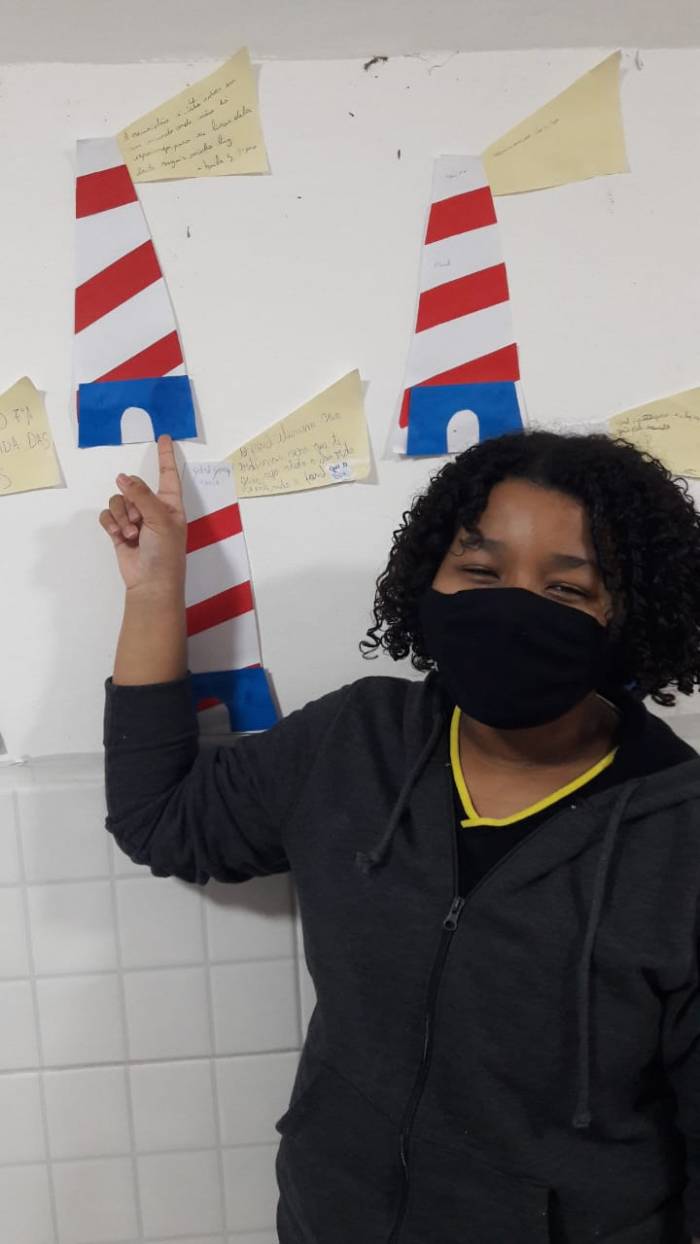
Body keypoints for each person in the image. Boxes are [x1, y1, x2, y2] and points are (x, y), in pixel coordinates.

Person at [100, 429, 700, 1244]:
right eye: (480, 571)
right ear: (430, 578)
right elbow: (162, 820)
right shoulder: (356, 741)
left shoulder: (681, 834)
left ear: (629, 616)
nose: (511, 607)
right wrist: (154, 592)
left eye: (566, 589)